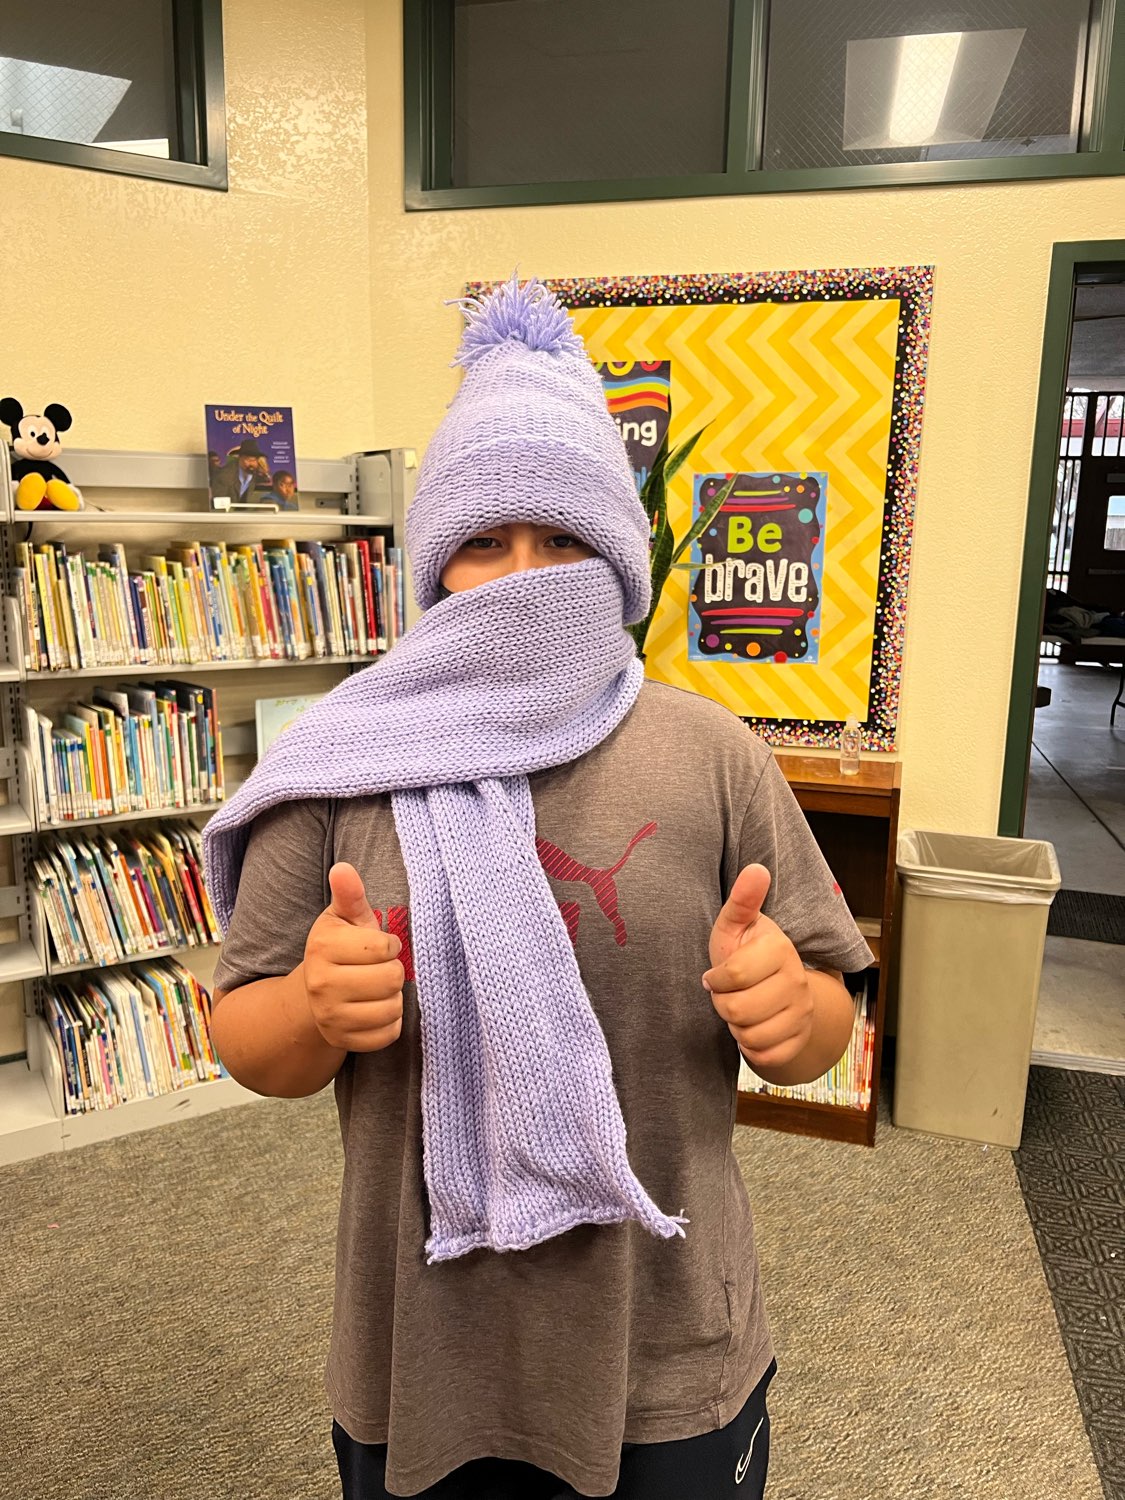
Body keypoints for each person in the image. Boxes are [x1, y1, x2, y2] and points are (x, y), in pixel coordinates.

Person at [203, 275, 874, 1500]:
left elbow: (826, 1016)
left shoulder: (713, 753)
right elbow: (248, 1036)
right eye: (486, 541)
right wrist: (310, 1007)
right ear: (433, 565)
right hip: (420, 1345)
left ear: (616, 554)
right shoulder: (341, 763)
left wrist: (797, 1014)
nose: (526, 574)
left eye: (564, 539)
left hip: (667, 1343)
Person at [212, 438, 270, 506]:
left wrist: (265, 471)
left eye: (254, 460)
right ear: (240, 458)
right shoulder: (224, 476)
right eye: (248, 460)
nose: (251, 464)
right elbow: (220, 504)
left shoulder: (255, 473)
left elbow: (266, 481)